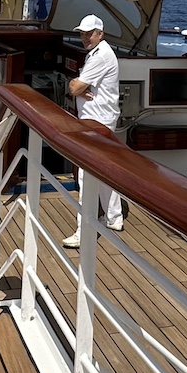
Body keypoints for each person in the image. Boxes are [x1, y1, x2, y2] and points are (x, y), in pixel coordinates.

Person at [62, 14, 123, 248]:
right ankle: (114, 217)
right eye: (82, 33)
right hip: (100, 119)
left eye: (90, 33)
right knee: (106, 169)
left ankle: (84, 229)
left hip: (96, 122)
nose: (85, 38)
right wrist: (79, 88)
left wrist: (76, 87)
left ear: (100, 33)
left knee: (85, 174)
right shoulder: (100, 52)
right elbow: (79, 87)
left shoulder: (100, 56)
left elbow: (75, 86)